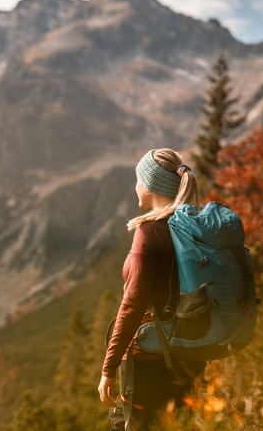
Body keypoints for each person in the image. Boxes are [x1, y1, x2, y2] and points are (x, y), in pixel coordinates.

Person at [98, 148, 207, 430]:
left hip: (149, 359)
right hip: (192, 353)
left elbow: (133, 303)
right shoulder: (194, 226)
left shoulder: (149, 232)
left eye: (138, 179)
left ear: (150, 183)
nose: (136, 186)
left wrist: (109, 368)